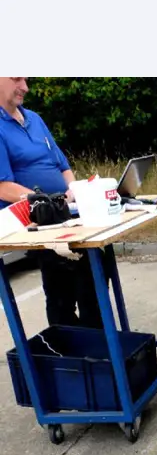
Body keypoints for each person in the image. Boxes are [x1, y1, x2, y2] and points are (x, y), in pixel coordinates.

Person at [0, 77, 103, 328]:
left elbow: (63, 166)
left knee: (99, 259)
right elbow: (3, 187)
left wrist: (73, 191)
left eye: (26, 79)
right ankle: (77, 341)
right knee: (71, 269)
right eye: (16, 78)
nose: (25, 87)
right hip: (33, 221)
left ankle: (95, 338)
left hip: (63, 212)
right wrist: (46, 201)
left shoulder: (35, 119)